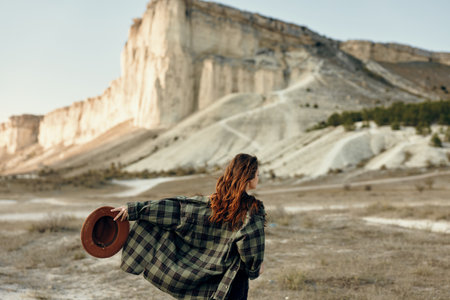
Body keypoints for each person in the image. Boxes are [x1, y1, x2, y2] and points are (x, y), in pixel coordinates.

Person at [112, 153, 265, 300]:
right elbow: (251, 248)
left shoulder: (209, 204)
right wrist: (254, 269)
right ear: (249, 177)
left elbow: (175, 208)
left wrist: (134, 209)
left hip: (203, 284)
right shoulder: (251, 211)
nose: (258, 178)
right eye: (257, 175)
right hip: (231, 282)